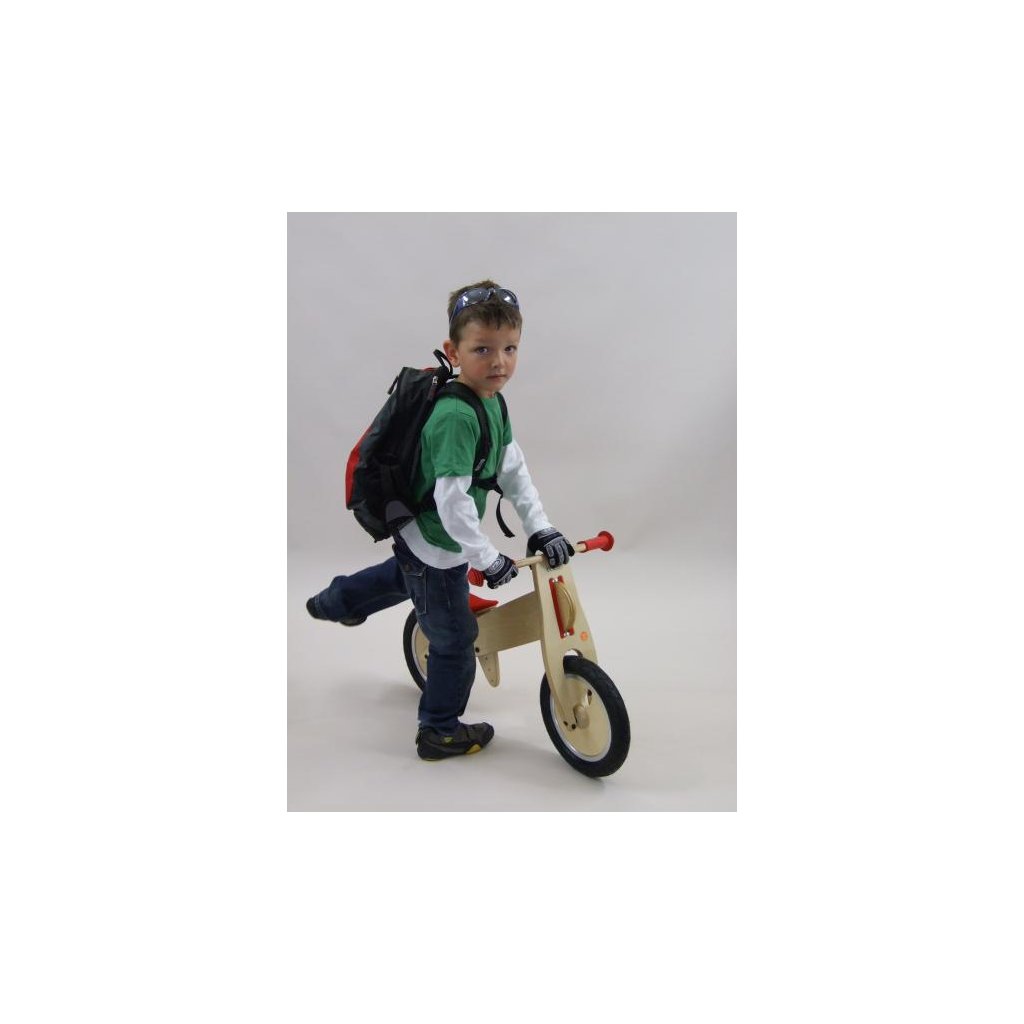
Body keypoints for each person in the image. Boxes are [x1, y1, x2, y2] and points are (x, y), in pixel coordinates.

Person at [306, 280, 575, 761]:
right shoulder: (455, 416)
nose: (499, 362)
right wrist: (486, 558)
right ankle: (438, 730)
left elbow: (513, 470)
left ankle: (339, 599)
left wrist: (541, 527)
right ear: (454, 351)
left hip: (427, 541)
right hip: (436, 543)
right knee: (454, 640)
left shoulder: (492, 402)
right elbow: (451, 502)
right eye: (482, 349)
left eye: (510, 348)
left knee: (404, 578)